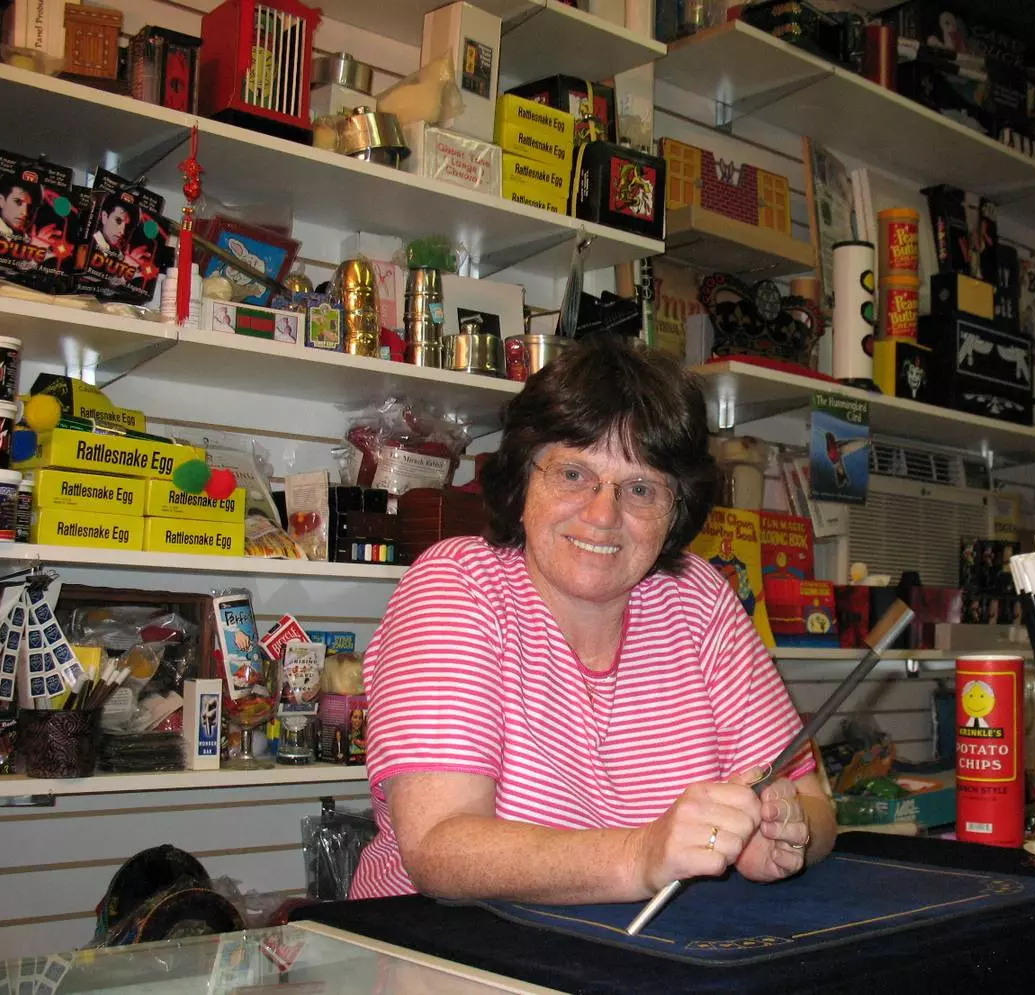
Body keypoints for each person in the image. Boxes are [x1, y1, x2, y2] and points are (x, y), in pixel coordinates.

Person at [350, 335, 836, 905]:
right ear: (523, 474)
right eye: (574, 474)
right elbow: (440, 848)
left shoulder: (699, 598)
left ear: (676, 509)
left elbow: (815, 803)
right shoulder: (457, 586)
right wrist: (641, 855)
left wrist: (782, 830)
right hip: (449, 956)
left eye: (641, 488)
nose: (604, 515)